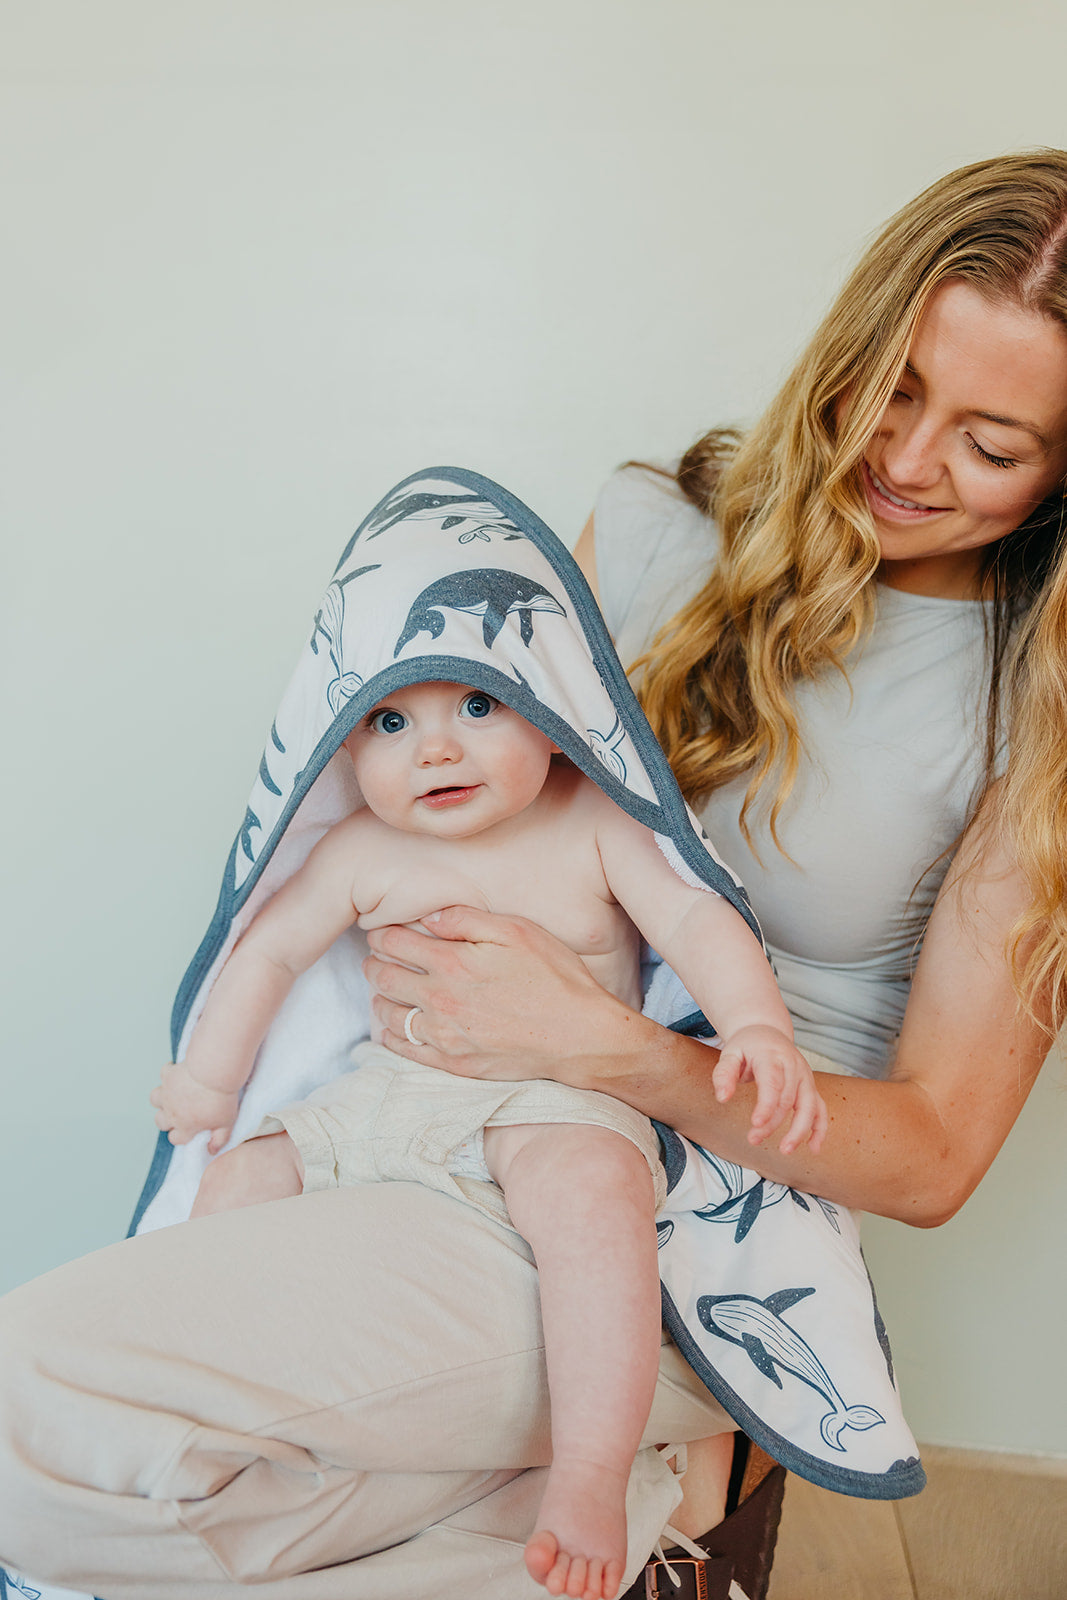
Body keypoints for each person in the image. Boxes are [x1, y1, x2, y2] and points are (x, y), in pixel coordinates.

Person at [3, 149, 1067, 1600]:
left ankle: (643, 1444)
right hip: (402, 1121)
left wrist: (611, 1051)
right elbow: (409, 783)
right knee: (326, 1523)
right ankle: (629, 1497)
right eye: (889, 387)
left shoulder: (1027, 712)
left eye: (990, 445)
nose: (905, 457)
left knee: (34, 1408)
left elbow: (935, 1157)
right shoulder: (643, 530)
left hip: (666, 1219)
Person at [149, 676, 822, 1600]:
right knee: (239, 1183)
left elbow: (692, 916)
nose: (434, 749)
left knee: (594, 1195)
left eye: (476, 707)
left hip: (554, 1096)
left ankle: (588, 1471)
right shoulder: (359, 847)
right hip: (390, 1092)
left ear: (550, 715)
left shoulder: (592, 822)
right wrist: (209, 1080)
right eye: (390, 722)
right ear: (344, 749)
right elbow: (271, 950)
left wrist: (754, 1026)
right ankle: (206, 1428)